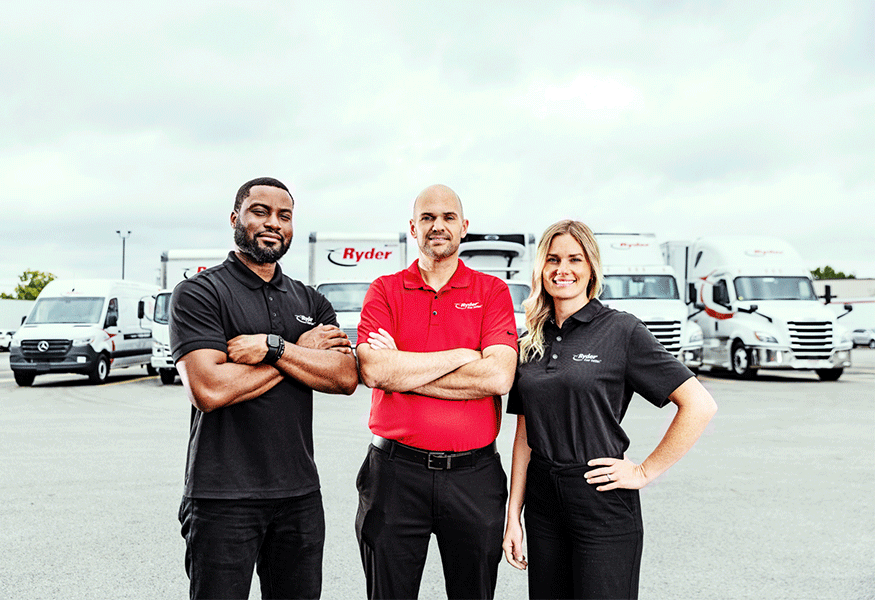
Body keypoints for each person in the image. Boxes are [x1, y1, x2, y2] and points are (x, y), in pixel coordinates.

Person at [502, 219, 718, 600]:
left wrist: (644, 471)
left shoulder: (621, 330)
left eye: (574, 259)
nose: (562, 270)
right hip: (542, 503)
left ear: (591, 269)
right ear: (540, 268)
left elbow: (699, 404)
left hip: (600, 498)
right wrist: (513, 517)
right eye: (552, 260)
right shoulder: (530, 340)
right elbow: (524, 433)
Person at [169, 177, 358, 600]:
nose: (273, 222)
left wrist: (273, 349)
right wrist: (297, 354)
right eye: (260, 211)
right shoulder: (200, 293)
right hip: (221, 497)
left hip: (300, 496)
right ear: (236, 218)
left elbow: (345, 377)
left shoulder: (310, 300)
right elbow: (209, 388)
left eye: (284, 215)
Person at [355, 184, 518, 600]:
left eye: (448, 218)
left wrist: (404, 370)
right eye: (427, 218)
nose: (437, 226)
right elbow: (374, 369)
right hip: (393, 473)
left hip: (474, 477)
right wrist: (465, 354)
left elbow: (498, 377)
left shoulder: (492, 292)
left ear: (464, 228)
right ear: (413, 227)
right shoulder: (385, 289)